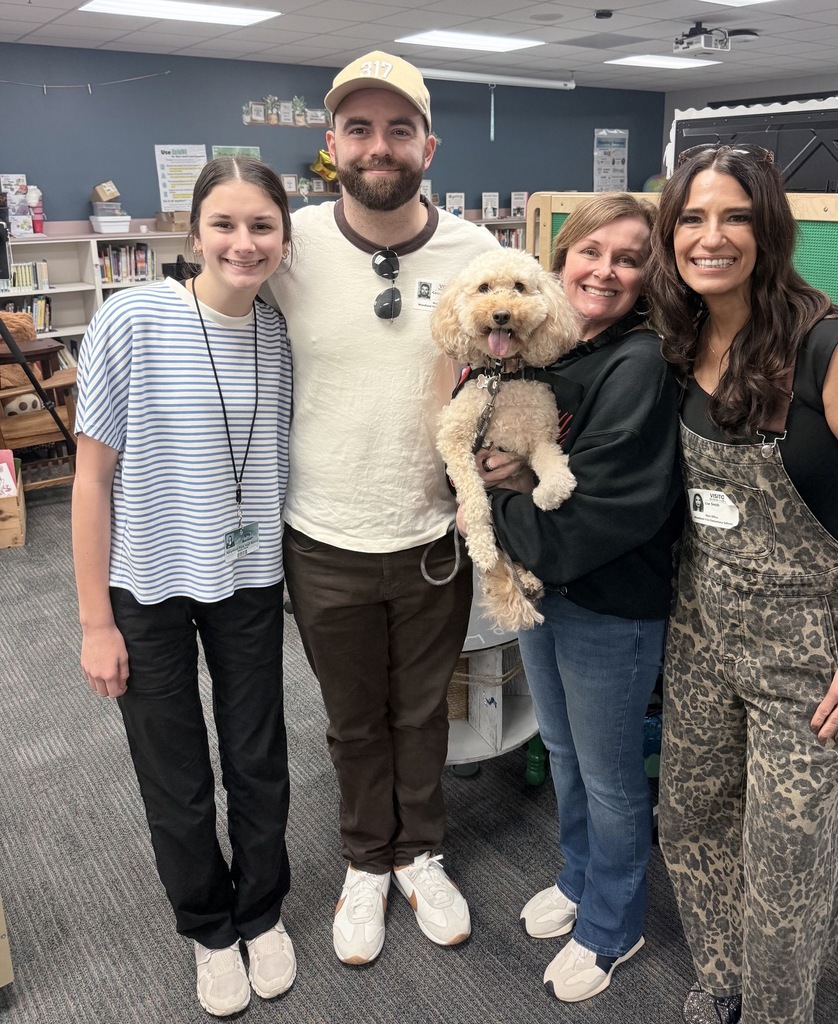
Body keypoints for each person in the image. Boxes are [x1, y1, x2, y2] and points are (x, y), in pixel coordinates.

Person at [646, 144, 838, 1024]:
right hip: (701, 636)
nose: (711, 237)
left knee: (789, 863)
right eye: (691, 218)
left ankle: (777, 1014)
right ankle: (722, 976)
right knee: (689, 817)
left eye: (733, 216)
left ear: (769, 229)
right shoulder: (681, 333)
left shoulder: (831, 349)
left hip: (811, 661)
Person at [265, 51, 500, 966]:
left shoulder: (477, 252)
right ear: (331, 146)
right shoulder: (291, 244)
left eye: (398, 129)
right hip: (322, 534)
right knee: (353, 716)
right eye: (358, 129)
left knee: (421, 713)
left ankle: (420, 853)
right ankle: (367, 860)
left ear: (427, 144)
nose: (378, 145)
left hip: (431, 532)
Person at [72, 156, 296, 1018]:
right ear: (193, 231)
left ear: (283, 236)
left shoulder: (276, 333)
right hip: (149, 583)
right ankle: (208, 929)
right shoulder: (130, 318)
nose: (244, 243)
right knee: (175, 771)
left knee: (257, 758)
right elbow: (91, 483)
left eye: (262, 226)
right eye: (225, 225)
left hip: (246, 578)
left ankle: (262, 911)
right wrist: (96, 622)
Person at [463, 193, 683, 1002]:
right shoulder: (544, 352)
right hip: (540, 591)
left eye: (629, 259)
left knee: (612, 773)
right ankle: (579, 875)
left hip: (608, 602)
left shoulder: (640, 363)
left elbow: (600, 510)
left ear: (647, 274)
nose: (606, 270)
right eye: (591, 252)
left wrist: (503, 504)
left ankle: (613, 924)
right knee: (562, 753)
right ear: (561, 260)